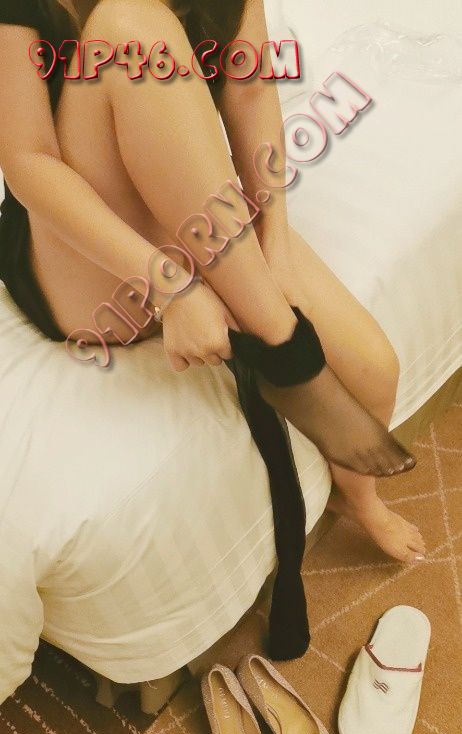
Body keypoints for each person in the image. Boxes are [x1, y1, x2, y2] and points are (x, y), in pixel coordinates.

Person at [0, 0, 426, 563]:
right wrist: (168, 285)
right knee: (129, 26)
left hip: (177, 195)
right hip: (84, 250)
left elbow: (250, 93)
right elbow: (28, 163)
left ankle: (358, 499)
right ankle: (283, 346)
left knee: (375, 369)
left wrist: (276, 245)